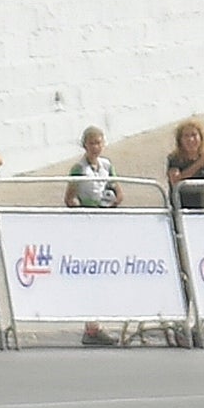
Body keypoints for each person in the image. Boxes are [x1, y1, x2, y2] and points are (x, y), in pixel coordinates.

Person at [65, 125, 123, 346]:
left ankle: (97, 323)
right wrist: (84, 212)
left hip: (104, 221)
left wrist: (112, 202)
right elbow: (70, 197)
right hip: (86, 223)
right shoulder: (78, 168)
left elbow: (119, 191)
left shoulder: (107, 165)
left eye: (99, 142)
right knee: (90, 272)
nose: (96, 147)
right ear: (85, 145)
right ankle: (91, 327)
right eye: (92, 143)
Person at [166, 117, 204, 209]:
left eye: (194, 135)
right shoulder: (175, 159)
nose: (190, 140)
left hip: (200, 211)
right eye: (186, 136)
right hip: (179, 211)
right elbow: (175, 180)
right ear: (180, 140)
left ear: (201, 138)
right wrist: (200, 162)